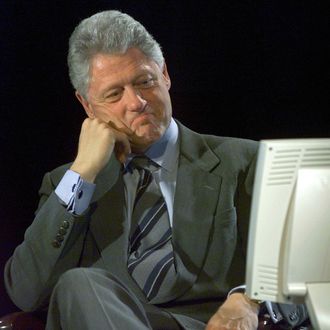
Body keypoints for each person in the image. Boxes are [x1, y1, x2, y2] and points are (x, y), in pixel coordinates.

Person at [3, 10, 274, 330]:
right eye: (114, 94)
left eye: (145, 82)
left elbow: (306, 272)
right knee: (79, 284)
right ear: (88, 105)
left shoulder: (244, 160)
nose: (136, 102)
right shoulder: (68, 184)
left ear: (165, 75)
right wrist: (83, 171)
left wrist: (249, 298)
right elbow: (25, 293)